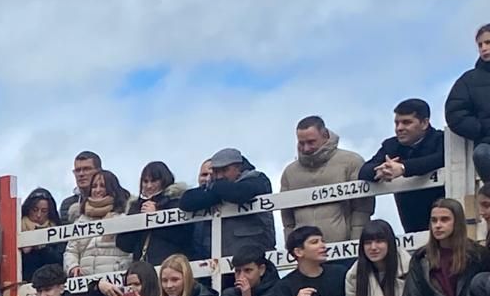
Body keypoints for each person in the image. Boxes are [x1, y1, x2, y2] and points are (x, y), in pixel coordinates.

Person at [279, 116, 372, 247]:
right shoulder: (289, 172)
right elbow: (287, 219)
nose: (306, 148)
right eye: (301, 143)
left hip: (343, 249)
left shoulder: (351, 162)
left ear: (325, 135)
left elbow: (361, 209)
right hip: (305, 253)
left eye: (311, 142)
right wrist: (291, 246)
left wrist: (356, 243)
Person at [359, 99, 446, 234]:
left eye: (406, 122)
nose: (399, 128)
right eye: (397, 123)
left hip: (443, 219)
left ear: (424, 123)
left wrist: (403, 168)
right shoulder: (391, 145)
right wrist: (382, 170)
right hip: (410, 224)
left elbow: (439, 159)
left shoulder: (442, 140)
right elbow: (364, 171)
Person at [178, 147, 276, 262]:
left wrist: (214, 191)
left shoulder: (258, 179)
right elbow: (185, 202)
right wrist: (219, 192)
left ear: (238, 167)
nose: (219, 176)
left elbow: (239, 193)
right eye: (216, 171)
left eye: (224, 170)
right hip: (221, 261)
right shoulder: (213, 186)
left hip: (255, 260)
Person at [118, 162, 199, 266]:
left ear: (164, 180)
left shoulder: (178, 203)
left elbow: (184, 236)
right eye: (145, 181)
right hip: (143, 270)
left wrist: (156, 217)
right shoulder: (135, 207)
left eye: (154, 181)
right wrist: (137, 220)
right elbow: (124, 244)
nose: (149, 186)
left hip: (171, 266)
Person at [65, 169, 131, 281]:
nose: (98, 190)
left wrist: (121, 270)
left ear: (112, 189)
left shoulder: (123, 218)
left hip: (115, 283)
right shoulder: (80, 221)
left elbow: (129, 252)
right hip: (86, 286)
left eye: (103, 186)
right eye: (94, 186)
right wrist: (72, 267)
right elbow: (71, 251)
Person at [447, 25, 490, 185]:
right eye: (480, 45)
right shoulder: (469, 80)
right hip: (487, 143)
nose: (484, 48)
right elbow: (454, 112)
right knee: (481, 154)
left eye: (488, 42)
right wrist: (481, 129)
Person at [18, 187, 66, 285]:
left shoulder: (58, 230)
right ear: (28, 209)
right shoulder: (16, 228)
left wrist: (43, 247)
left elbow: (60, 259)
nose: (38, 215)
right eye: (35, 210)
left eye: (44, 211)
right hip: (25, 284)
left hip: (50, 284)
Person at [60, 151, 102, 221]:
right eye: (77, 170)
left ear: (99, 171)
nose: (81, 174)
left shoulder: (120, 197)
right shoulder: (67, 205)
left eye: (86, 169)